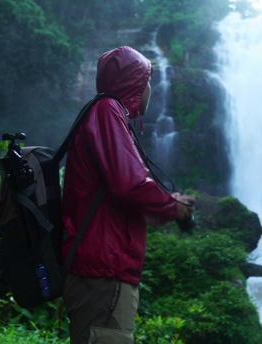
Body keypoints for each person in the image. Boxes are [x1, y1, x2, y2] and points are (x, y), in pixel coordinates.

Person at [61, 46, 195, 344]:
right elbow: (130, 183)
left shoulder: (107, 113)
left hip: (103, 268)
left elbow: (123, 183)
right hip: (104, 269)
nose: (150, 89)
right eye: (147, 80)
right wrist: (172, 207)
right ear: (134, 82)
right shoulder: (108, 110)